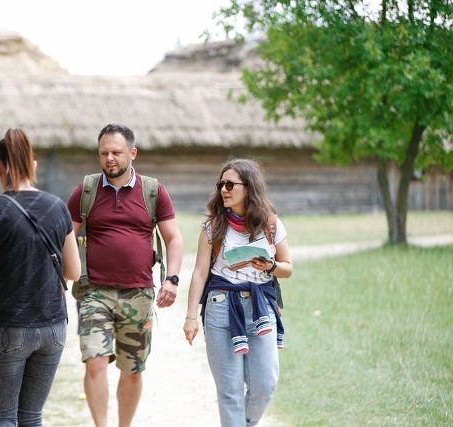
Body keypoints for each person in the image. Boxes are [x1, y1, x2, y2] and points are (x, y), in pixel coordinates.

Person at [66, 123, 183, 427]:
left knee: (132, 371)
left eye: (116, 152)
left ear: (132, 153)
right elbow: (66, 235)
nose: (109, 158)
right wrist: (61, 276)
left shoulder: (153, 191)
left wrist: (171, 279)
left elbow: (173, 238)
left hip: (139, 294)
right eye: (104, 153)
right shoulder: (87, 189)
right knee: (94, 362)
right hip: (94, 292)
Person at [0, 128, 81, 426]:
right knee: (32, 417)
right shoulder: (58, 206)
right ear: (33, 165)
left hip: (8, 325)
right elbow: (73, 272)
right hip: (53, 326)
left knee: (3, 418)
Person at [183, 158, 293, 427]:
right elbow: (199, 272)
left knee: (265, 384)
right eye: (221, 184)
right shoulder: (212, 227)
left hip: (260, 310)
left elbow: (288, 268)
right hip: (220, 308)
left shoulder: (271, 224)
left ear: (249, 187)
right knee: (229, 392)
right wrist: (190, 317)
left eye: (230, 184)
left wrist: (271, 266)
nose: (224, 190)